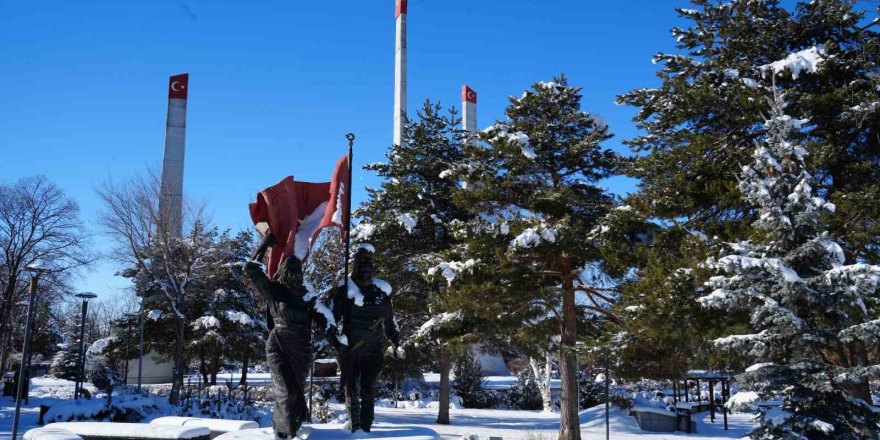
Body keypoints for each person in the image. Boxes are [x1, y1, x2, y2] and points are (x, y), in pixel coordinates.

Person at [244, 233, 338, 439]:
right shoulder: (275, 291)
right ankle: (284, 433)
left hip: (302, 348)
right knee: (285, 390)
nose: (296, 274)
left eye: (299, 271)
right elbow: (250, 269)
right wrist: (265, 245)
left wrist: (333, 333)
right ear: (285, 272)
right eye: (292, 271)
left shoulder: (307, 295)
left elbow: (323, 316)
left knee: (295, 391)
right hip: (278, 344)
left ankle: (289, 429)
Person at [332, 245, 403, 433]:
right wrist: (336, 342)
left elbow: (390, 322)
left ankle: (365, 430)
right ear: (355, 265)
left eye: (370, 263)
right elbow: (331, 319)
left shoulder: (381, 294)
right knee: (351, 392)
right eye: (362, 262)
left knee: (368, 391)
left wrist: (396, 343)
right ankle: (353, 430)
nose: (367, 266)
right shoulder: (345, 291)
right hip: (351, 351)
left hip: (373, 350)